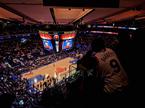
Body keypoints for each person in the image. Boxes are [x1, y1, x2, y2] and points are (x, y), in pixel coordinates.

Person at [91, 37, 129, 107]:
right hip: (126, 82)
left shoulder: (96, 58)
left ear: (94, 47)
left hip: (113, 89)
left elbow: (96, 77)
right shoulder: (111, 50)